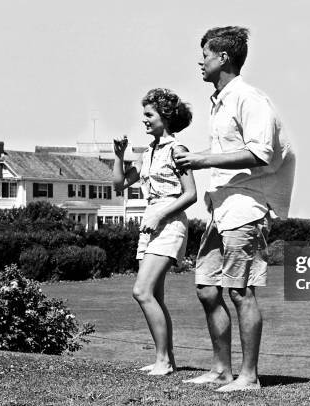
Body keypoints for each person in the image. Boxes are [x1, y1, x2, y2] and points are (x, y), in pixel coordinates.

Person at [175, 26, 295, 391]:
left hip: (246, 206)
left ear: (223, 58)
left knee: (241, 291)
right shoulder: (221, 100)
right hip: (222, 207)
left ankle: (249, 376)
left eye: (206, 54)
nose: (200, 61)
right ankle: (221, 370)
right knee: (207, 287)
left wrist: (200, 159)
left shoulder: (248, 98)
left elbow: (261, 153)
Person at [113, 88, 197, 376]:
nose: (144, 120)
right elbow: (119, 185)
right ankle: (166, 359)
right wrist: (118, 156)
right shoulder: (147, 153)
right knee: (155, 296)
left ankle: (163, 360)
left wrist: (161, 214)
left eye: (149, 114)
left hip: (169, 223)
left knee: (142, 290)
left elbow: (191, 194)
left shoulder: (178, 150)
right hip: (150, 222)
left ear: (165, 117)